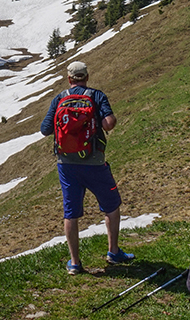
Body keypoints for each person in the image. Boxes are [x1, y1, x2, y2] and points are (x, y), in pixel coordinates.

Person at [40, 60, 134, 274]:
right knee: (111, 205)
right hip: (94, 162)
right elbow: (108, 123)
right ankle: (113, 252)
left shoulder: (59, 99)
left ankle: (74, 262)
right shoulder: (96, 96)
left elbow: (45, 129)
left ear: (69, 78)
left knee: (71, 212)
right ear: (87, 77)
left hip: (66, 165)